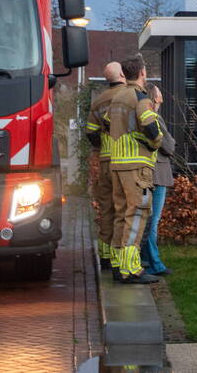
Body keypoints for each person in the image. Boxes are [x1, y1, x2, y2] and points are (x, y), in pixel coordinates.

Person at [108, 53, 163, 284]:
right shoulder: (140, 98)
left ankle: (118, 263)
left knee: (121, 215)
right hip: (136, 167)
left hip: (117, 164)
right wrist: (156, 141)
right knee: (137, 215)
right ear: (142, 73)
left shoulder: (117, 97)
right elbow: (150, 127)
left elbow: (107, 125)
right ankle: (131, 269)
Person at [85, 61, 127, 270]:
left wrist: (103, 146)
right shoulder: (129, 96)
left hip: (105, 161)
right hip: (125, 161)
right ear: (122, 74)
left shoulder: (98, 101)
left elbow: (91, 132)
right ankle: (121, 259)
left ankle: (105, 256)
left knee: (106, 209)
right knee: (123, 210)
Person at [140, 84, 175, 276]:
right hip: (158, 174)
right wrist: (171, 143)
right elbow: (169, 145)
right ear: (154, 98)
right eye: (159, 95)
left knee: (147, 220)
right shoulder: (155, 118)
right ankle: (155, 263)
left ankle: (146, 258)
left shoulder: (142, 118)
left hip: (148, 172)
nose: (161, 99)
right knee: (153, 221)